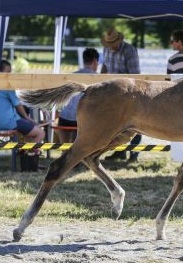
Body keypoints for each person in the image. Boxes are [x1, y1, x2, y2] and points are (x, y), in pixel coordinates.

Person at [0, 60, 45, 143]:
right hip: (11, 122)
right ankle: (28, 152)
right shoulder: (7, 86)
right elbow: (18, 105)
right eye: (8, 72)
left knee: (28, 132)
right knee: (40, 133)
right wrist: (27, 118)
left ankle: (27, 151)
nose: (10, 74)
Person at [100, 27, 141, 162]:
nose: (110, 48)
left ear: (119, 41)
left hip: (128, 92)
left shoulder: (129, 51)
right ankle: (119, 152)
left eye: (113, 45)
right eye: (108, 45)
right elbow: (105, 66)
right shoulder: (106, 49)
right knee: (114, 123)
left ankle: (133, 154)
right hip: (112, 92)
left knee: (135, 123)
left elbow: (135, 75)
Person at [57, 47, 99, 144]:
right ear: (95, 61)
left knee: (65, 149)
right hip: (82, 121)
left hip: (64, 119)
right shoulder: (98, 79)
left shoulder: (71, 76)